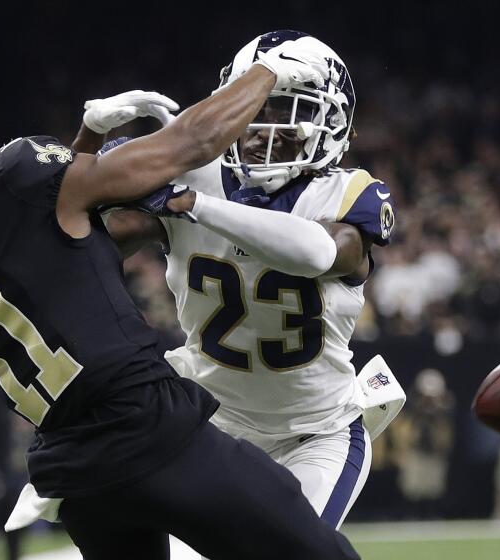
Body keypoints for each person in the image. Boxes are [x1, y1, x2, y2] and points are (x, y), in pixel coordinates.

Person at [0, 41, 360, 560]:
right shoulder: (9, 181)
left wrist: (89, 137)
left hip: (75, 474)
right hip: (151, 431)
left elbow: (67, 243)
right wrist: (271, 69)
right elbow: (191, 144)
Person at [103, 30, 402, 535]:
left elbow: (322, 252)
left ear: (329, 124)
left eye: (289, 110)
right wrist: (94, 162)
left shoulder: (346, 193)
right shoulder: (194, 175)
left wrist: (195, 206)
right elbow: (93, 241)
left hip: (316, 435)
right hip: (209, 424)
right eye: (257, 107)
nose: (266, 127)